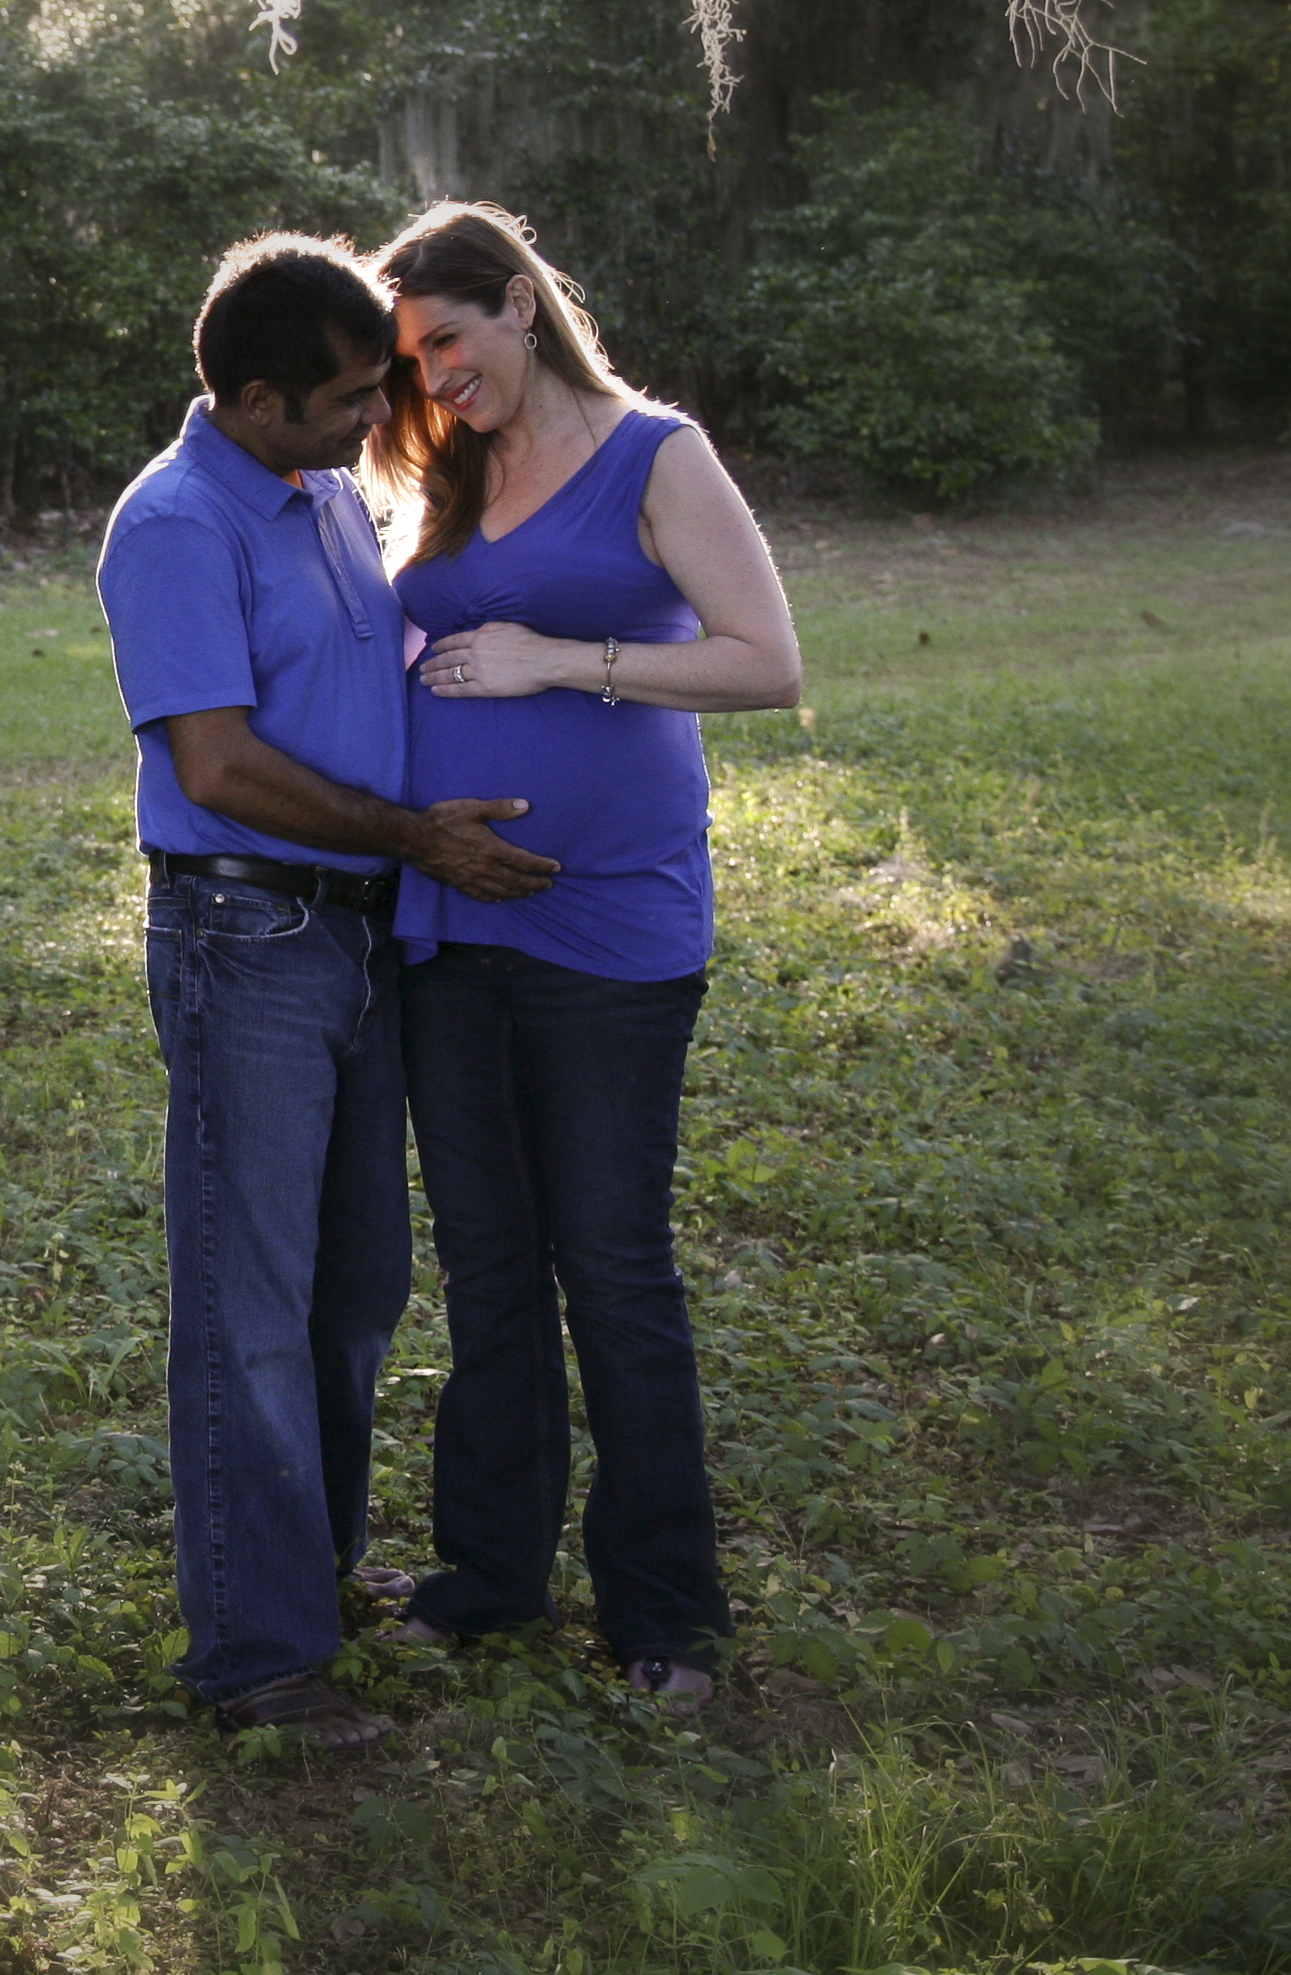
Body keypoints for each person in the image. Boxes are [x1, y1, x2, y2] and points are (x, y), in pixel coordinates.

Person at [95, 232, 560, 1750]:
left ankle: (316, 1568)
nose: (381, 420)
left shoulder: (324, 498)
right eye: (351, 399)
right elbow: (216, 764)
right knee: (248, 1302)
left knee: (354, 1292)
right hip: (251, 942)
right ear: (249, 396)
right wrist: (410, 836)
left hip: (367, 935)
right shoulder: (176, 525)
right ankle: (259, 1659)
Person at [363, 201, 802, 1716]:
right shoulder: (444, 467)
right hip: (446, 927)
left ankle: (668, 1614)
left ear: (520, 308)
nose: (433, 379)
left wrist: (561, 662)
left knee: (611, 1268)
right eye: (411, 358)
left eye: (447, 343)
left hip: (608, 926)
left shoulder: (653, 455)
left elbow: (768, 661)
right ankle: (489, 1582)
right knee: (488, 1271)